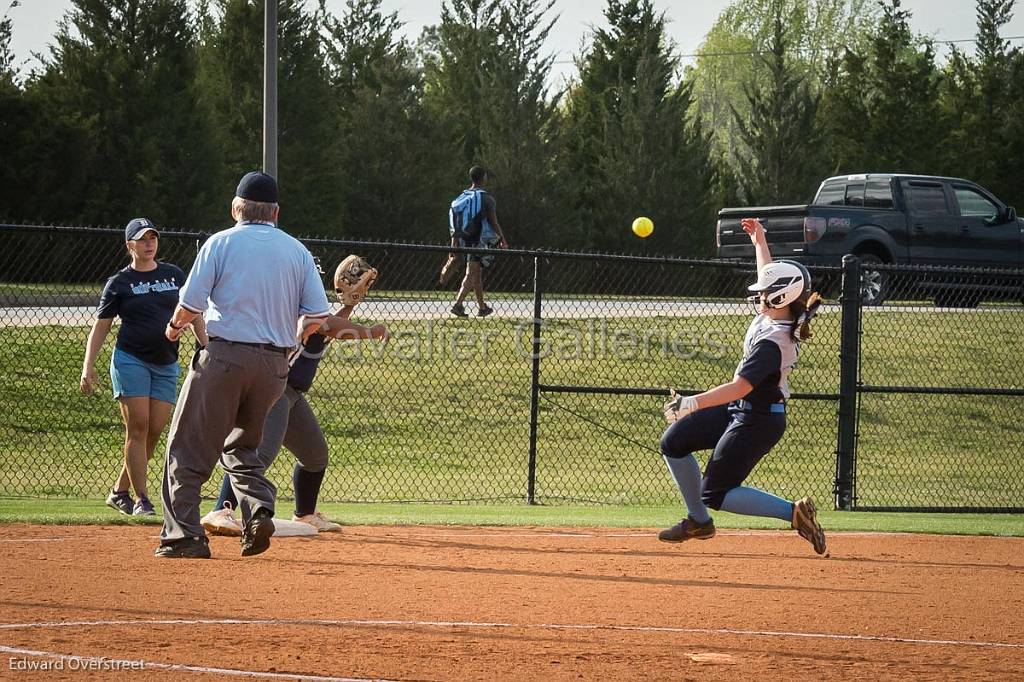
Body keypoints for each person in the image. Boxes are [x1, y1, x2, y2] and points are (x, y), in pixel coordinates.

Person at [156, 171, 331, 559]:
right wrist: (291, 340)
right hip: (273, 367)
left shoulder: (220, 243)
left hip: (225, 357)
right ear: (276, 212)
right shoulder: (297, 251)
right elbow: (317, 316)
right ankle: (258, 510)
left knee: (187, 448)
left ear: (237, 208)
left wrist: (173, 328)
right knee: (242, 447)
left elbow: (191, 305)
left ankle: (184, 537)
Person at [658, 217, 827, 555]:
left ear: (780, 296)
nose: (759, 295)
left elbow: (739, 388)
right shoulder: (777, 313)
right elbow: (770, 276)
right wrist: (760, 244)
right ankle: (698, 522)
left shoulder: (773, 341)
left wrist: (691, 403)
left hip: (758, 420)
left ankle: (794, 513)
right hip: (742, 411)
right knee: (674, 442)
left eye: (765, 292)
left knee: (716, 493)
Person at [200, 302, 388, 536]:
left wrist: (349, 304)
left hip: (293, 394)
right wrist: (371, 331)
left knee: (315, 455)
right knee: (259, 454)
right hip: (276, 388)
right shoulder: (292, 301)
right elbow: (328, 326)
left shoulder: (309, 304)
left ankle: (306, 515)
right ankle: (221, 510)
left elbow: (328, 326)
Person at [80, 219, 207, 517]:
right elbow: (101, 327)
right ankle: (142, 499)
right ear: (130, 245)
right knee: (138, 427)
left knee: (153, 432)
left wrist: (206, 345)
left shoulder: (173, 274)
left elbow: (193, 312)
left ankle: (118, 491)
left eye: (153, 238)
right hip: (130, 359)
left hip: (166, 363)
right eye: (142, 239)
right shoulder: (120, 282)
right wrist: (88, 366)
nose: (149, 243)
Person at [448, 166, 508, 318]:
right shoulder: (487, 198)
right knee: (472, 272)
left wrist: (454, 244)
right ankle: (458, 304)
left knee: (476, 273)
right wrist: (502, 240)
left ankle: (482, 307)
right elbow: (494, 222)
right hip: (479, 239)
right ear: (483, 178)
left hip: (466, 238)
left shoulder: (463, 196)